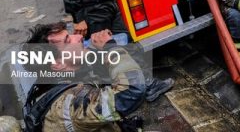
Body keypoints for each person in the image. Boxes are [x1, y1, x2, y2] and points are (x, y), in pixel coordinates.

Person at [22, 22, 173, 131]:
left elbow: (96, 75)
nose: (78, 37)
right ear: (58, 64)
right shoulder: (71, 104)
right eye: (68, 40)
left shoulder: (53, 80)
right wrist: (111, 48)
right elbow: (132, 91)